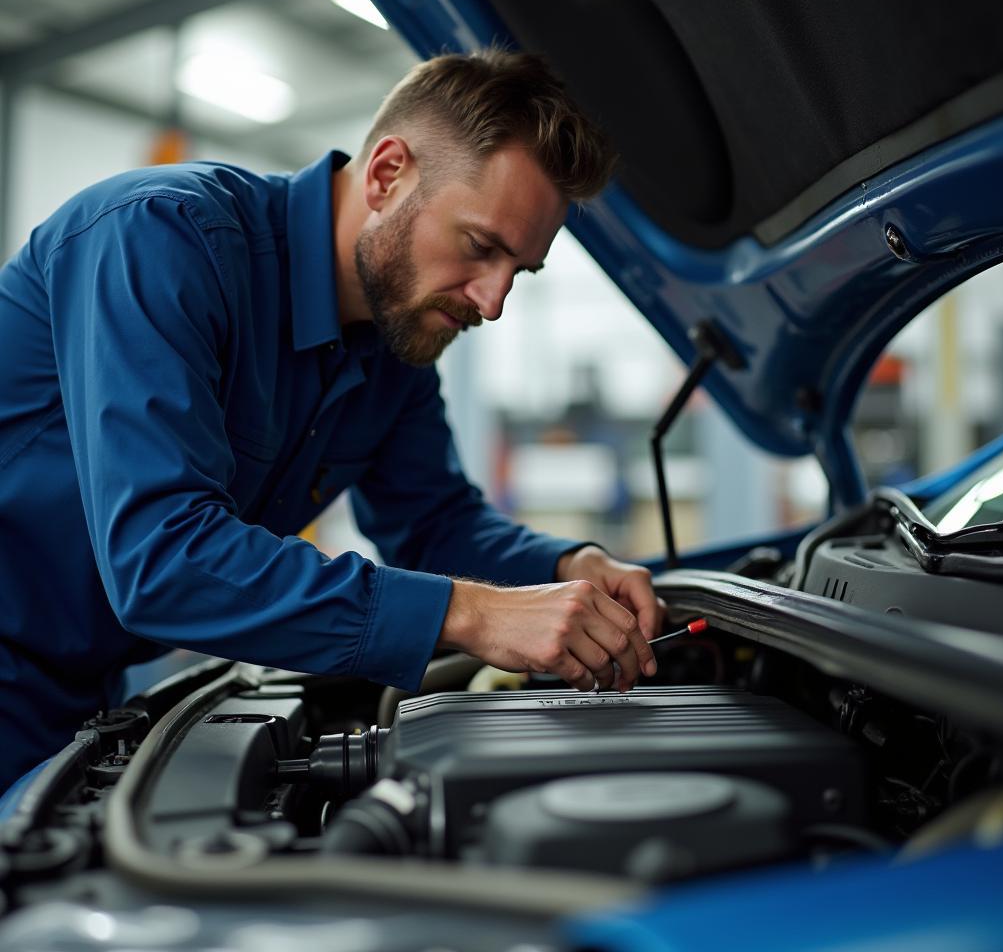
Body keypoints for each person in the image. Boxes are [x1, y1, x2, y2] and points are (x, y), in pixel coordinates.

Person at [0, 48, 664, 794]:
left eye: (521, 272)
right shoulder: (161, 237)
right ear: (387, 174)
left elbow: (435, 523)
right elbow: (166, 560)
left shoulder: (396, 347)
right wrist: (473, 613)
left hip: (77, 694)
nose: (493, 301)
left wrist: (567, 567)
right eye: (481, 247)